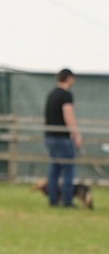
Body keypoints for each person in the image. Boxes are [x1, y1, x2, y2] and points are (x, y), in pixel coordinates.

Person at [44, 68, 81, 207]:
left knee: (54, 169)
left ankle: (53, 200)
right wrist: (76, 134)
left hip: (50, 137)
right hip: (62, 138)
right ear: (69, 78)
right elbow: (68, 116)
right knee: (68, 170)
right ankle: (67, 200)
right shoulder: (66, 95)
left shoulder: (52, 94)